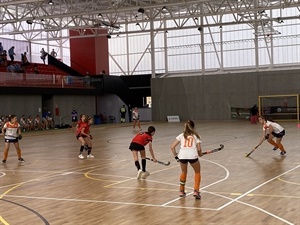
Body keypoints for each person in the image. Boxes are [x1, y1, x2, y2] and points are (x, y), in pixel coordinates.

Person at [170, 120, 203, 199]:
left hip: (182, 156)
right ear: (193, 127)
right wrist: (200, 154)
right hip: (192, 156)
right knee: (197, 172)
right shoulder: (196, 136)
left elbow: (172, 147)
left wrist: (176, 157)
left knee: (183, 172)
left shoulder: (181, 135)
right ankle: (196, 191)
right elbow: (199, 149)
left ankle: (181, 191)